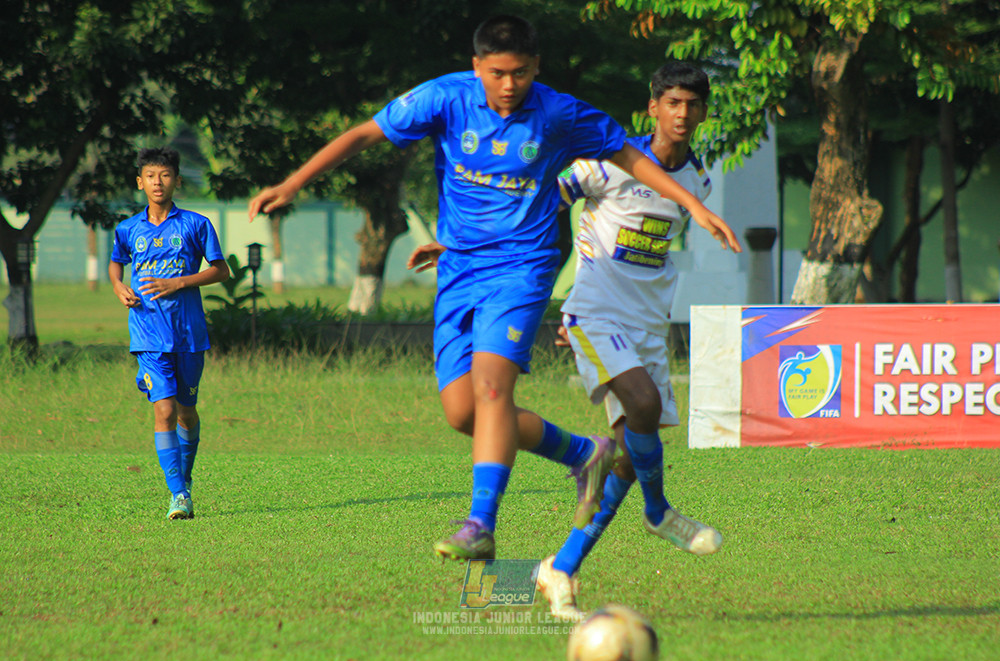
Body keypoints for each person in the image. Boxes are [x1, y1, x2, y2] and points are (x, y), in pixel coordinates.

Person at [250, 16, 740, 561]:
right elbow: (368, 132)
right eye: (499, 73)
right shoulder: (445, 98)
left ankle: (480, 523)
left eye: (522, 73)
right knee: (464, 413)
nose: (510, 86)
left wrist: (693, 203)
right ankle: (585, 454)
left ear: (537, 68)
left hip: (523, 268)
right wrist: (294, 182)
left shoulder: (558, 113)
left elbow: (627, 157)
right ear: (477, 66)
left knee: (491, 391)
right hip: (460, 270)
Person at [532, 62, 741, 620]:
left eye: (693, 104)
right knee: (645, 406)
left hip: (648, 329)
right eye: (671, 102)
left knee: (626, 458)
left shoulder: (697, 180)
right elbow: (550, 197)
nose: (682, 113)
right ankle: (660, 512)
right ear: (652, 107)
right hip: (597, 315)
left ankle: (562, 569)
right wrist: (545, 280)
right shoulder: (608, 158)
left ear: (702, 112)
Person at [109, 147, 229, 520]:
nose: (157, 183)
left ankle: (184, 478)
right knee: (163, 410)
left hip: (189, 335)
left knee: (185, 413)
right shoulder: (128, 229)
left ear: (176, 180)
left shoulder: (196, 224)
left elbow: (221, 270)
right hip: (146, 334)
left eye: (165, 175)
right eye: (150, 176)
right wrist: (119, 288)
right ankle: (178, 495)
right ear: (139, 182)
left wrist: (179, 282)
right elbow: (116, 267)